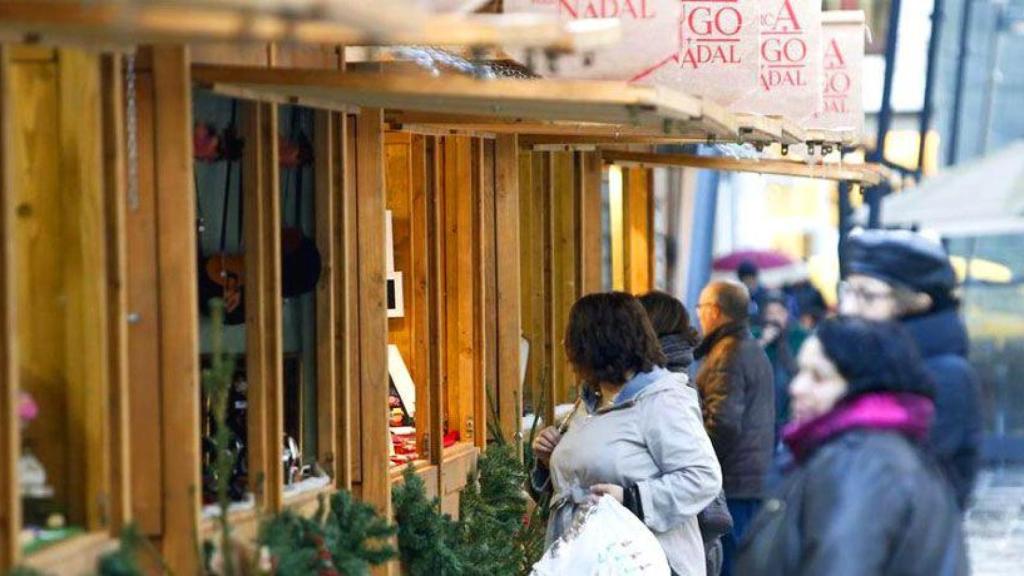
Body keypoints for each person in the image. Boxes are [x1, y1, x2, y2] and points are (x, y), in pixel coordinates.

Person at [737, 317, 968, 576]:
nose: (796, 388)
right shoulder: (869, 452)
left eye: (819, 377)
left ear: (865, 386)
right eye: (800, 372)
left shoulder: (862, 464)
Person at [531, 292, 722, 576]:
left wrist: (632, 499)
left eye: (573, 337)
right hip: (585, 560)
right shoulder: (590, 401)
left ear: (596, 343)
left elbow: (703, 477)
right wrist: (550, 459)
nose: (564, 345)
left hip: (642, 562)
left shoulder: (662, 399)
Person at [841, 229, 981, 509]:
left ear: (918, 302)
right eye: (849, 291)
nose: (849, 308)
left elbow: (899, 483)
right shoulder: (868, 358)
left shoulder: (946, 375)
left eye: (867, 295)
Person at [640, 291, 733, 576]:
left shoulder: (665, 386)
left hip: (679, 538)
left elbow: (725, 422)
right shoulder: (676, 372)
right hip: (692, 534)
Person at [693, 281, 774, 576]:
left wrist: (696, 464)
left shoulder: (728, 353)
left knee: (730, 565)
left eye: (701, 308)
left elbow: (723, 423)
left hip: (732, 483)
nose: (699, 315)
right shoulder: (749, 347)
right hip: (750, 478)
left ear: (715, 311)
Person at [753, 291, 809, 443]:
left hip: (790, 414)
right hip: (758, 416)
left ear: (787, 314)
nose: (774, 317)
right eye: (770, 313)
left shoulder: (800, 336)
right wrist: (763, 341)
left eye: (779, 312)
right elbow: (741, 364)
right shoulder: (754, 335)